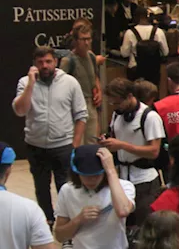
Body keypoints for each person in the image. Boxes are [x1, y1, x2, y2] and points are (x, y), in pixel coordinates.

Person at [14, 47, 88, 227]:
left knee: (65, 188)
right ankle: (46, 221)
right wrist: (31, 84)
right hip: (35, 145)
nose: (44, 66)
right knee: (41, 187)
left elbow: (81, 115)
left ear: (55, 62)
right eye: (40, 62)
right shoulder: (25, 83)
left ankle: (66, 225)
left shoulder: (70, 82)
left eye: (48, 62)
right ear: (34, 64)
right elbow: (20, 110)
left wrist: (74, 145)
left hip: (63, 145)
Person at [101, 78, 165, 229]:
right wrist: (108, 141)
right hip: (122, 177)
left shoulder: (150, 117)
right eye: (112, 103)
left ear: (130, 96)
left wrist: (122, 145)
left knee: (146, 226)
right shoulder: (118, 114)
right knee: (125, 225)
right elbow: (116, 137)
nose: (115, 107)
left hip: (145, 180)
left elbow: (154, 151)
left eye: (117, 103)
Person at [61, 21, 102, 140]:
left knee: (92, 141)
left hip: (91, 103)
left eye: (89, 39)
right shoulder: (68, 61)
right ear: (75, 40)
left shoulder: (92, 56)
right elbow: (61, 87)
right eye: (83, 39)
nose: (87, 42)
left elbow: (95, 76)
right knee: (78, 143)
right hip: (75, 105)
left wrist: (98, 91)